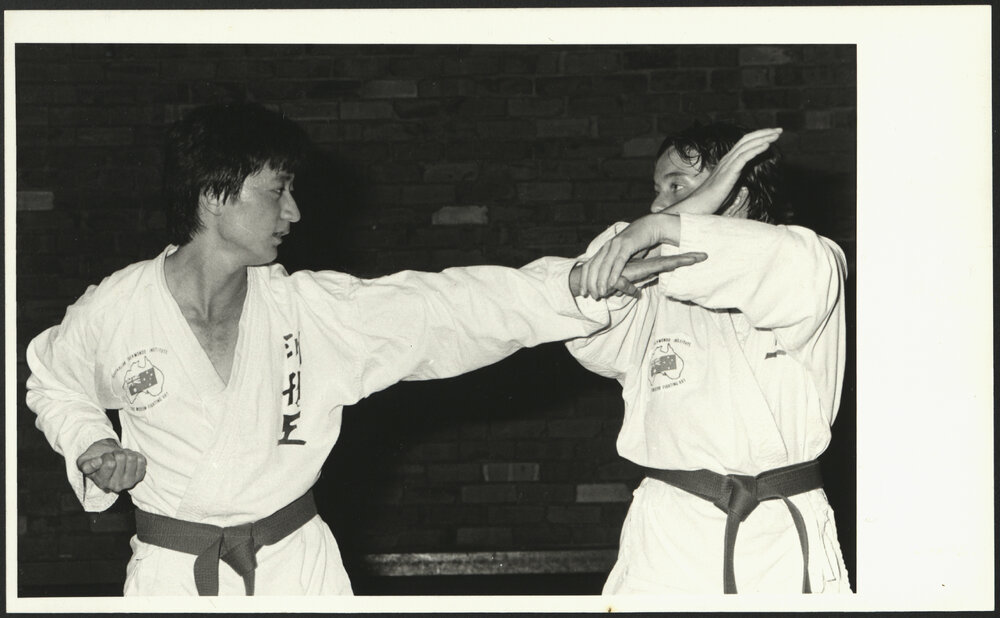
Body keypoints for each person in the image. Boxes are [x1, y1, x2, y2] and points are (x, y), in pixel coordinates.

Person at [24, 102, 704, 597]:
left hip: (297, 569)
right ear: (214, 197)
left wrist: (586, 287)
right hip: (173, 576)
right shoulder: (118, 307)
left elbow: (449, 307)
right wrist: (90, 442)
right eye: (277, 191)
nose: (294, 212)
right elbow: (53, 380)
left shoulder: (310, 311)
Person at [568, 122, 851, 594]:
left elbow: (773, 264)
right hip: (670, 541)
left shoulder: (813, 259)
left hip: (782, 537)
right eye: (656, 191)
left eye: (677, 185)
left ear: (736, 192)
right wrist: (652, 231)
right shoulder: (648, 290)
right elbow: (587, 323)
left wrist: (661, 226)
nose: (658, 204)